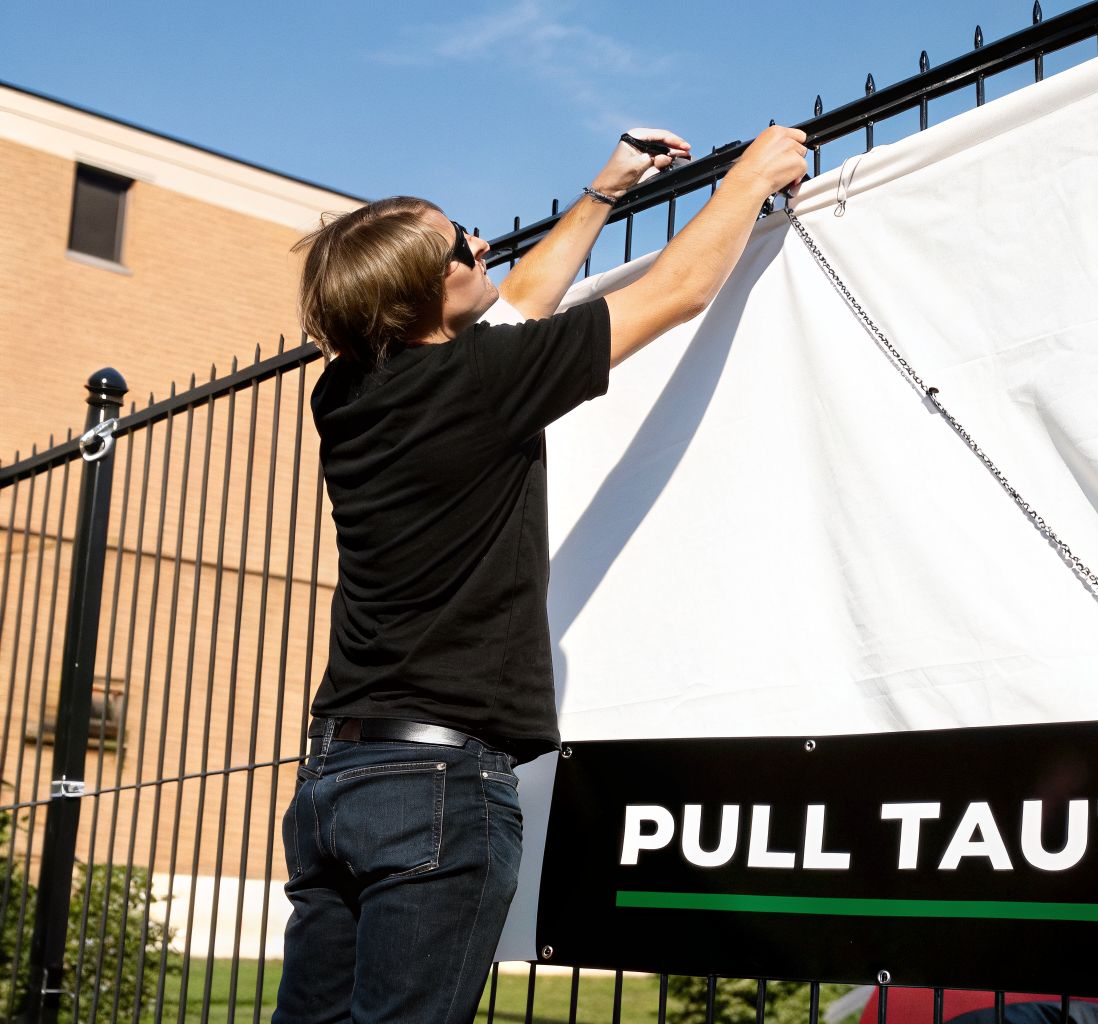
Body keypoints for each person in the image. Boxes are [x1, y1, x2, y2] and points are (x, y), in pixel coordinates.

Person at [273, 123, 808, 1024]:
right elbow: (677, 292)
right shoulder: (481, 382)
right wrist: (751, 176)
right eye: (458, 246)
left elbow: (512, 306)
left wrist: (604, 194)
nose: (480, 244)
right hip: (435, 789)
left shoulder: (347, 394)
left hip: (336, 779)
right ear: (423, 296)